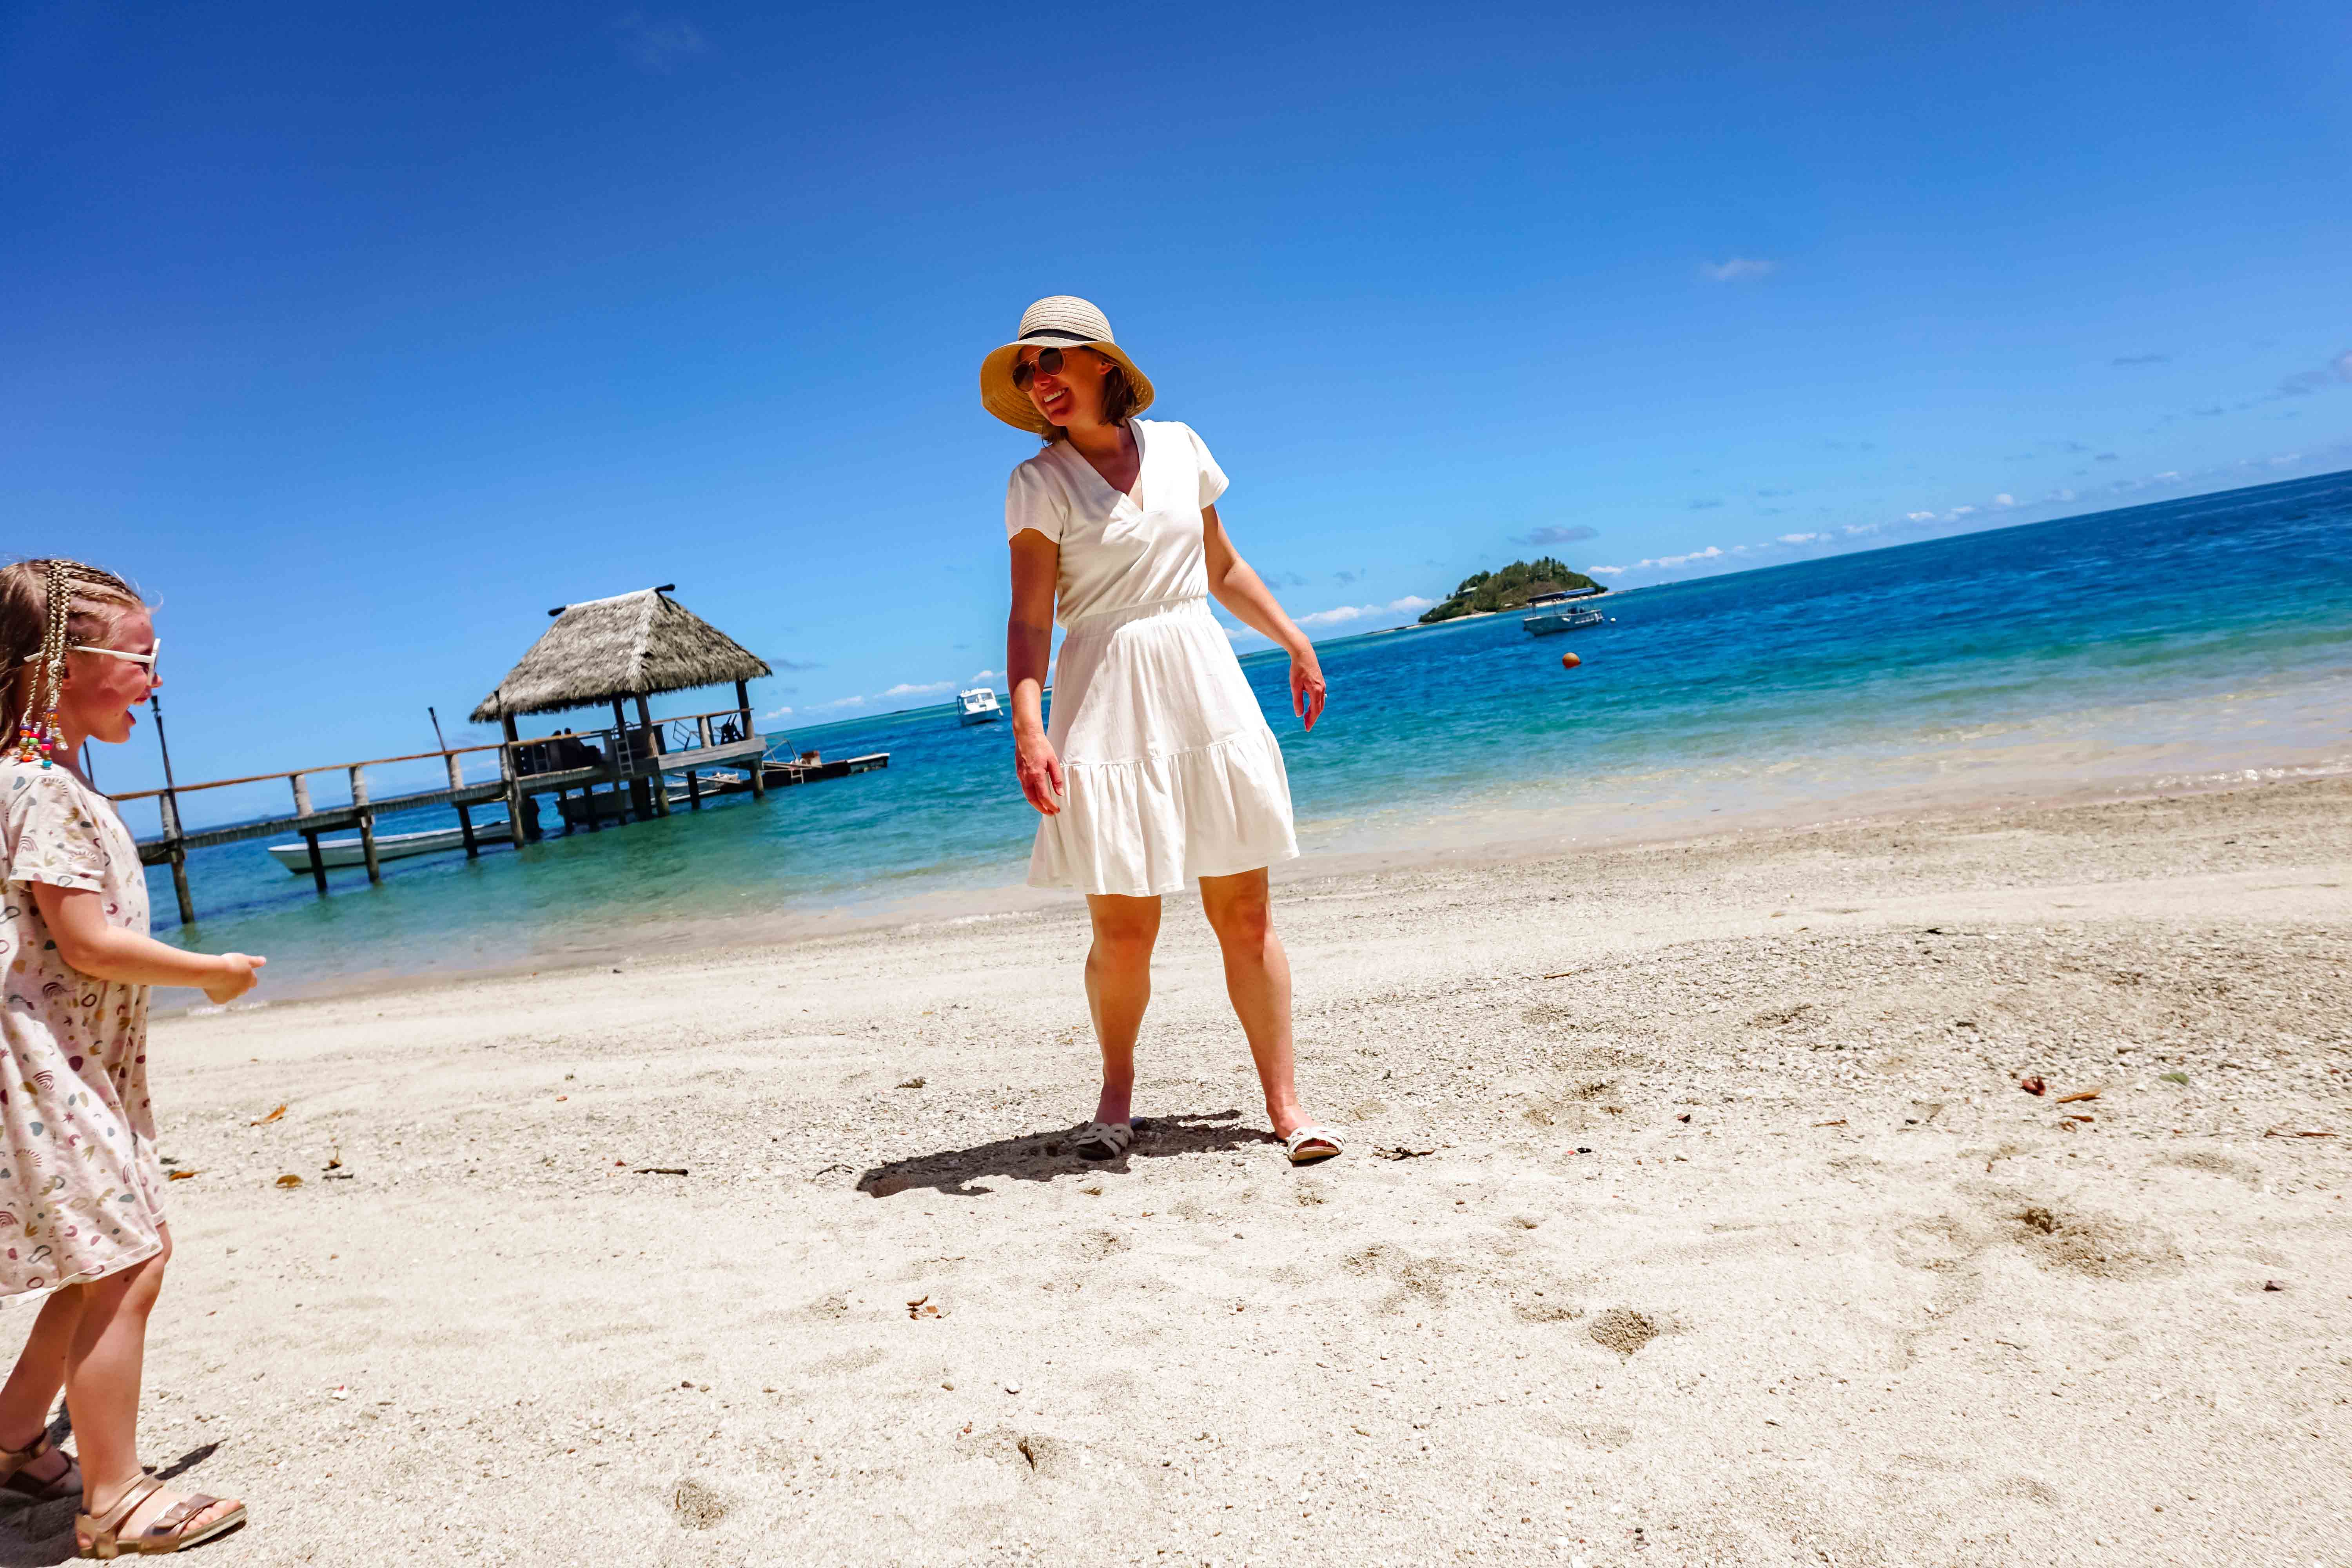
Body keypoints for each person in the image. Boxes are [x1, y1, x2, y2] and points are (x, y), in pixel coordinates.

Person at [983, 297, 1343, 1167]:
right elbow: (1030, 618)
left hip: (1203, 682)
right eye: (1027, 369)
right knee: (1123, 929)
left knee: (1246, 912)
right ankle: (1115, 1096)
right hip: (1103, 696)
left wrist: (1295, 641)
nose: (1039, 380)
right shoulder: (1038, 482)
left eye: (1052, 359)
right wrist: (1029, 727)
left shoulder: (1182, 446)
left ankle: (1286, 1106)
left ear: (1104, 364)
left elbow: (1222, 566)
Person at [0, 559, 259, 1555]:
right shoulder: (40, 788)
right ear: (61, 664)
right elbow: (87, 943)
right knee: (127, 1260)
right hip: (46, 1065)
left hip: (73, 1060)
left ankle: (12, 1438)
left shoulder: (43, 777)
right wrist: (209, 972)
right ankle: (113, 1496)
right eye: (141, 657)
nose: (157, 677)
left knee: (98, 1258)